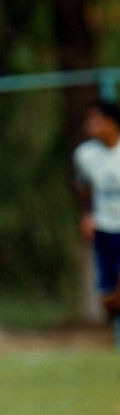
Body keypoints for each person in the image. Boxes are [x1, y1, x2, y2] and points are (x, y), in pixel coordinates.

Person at [73, 99, 120, 347]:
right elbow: (84, 188)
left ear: (110, 122)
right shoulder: (86, 155)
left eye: (95, 119)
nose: (89, 124)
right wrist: (87, 215)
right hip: (104, 228)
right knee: (108, 300)